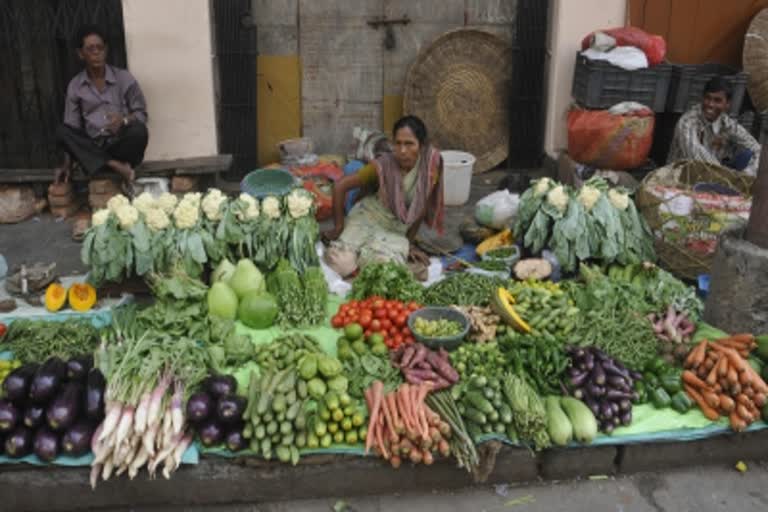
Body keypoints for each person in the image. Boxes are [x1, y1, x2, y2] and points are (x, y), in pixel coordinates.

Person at [322, 115, 444, 280]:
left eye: (409, 144)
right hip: (368, 217)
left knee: (385, 267)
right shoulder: (383, 165)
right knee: (338, 262)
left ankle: (363, 263)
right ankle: (358, 261)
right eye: (398, 143)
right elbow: (340, 186)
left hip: (396, 228)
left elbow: (420, 207)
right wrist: (338, 227)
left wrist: (409, 243)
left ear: (421, 146)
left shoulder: (429, 167)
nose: (402, 151)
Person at [54, 25, 149, 188]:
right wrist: (67, 164)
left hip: (120, 145)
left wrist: (124, 120)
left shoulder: (124, 78)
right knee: (62, 132)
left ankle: (103, 162)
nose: (96, 53)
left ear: (106, 50)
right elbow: (72, 128)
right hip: (93, 145)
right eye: (90, 49)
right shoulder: (76, 86)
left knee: (139, 131)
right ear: (80, 54)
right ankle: (115, 166)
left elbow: (142, 114)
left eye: (100, 48)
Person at [667, 76, 761, 176]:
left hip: (712, 176)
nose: (711, 104)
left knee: (748, 155)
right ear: (702, 98)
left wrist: (746, 174)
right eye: (708, 98)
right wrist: (727, 177)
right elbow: (697, 157)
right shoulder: (687, 122)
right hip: (680, 176)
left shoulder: (727, 124)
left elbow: (758, 149)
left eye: (717, 100)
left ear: (727, 104)